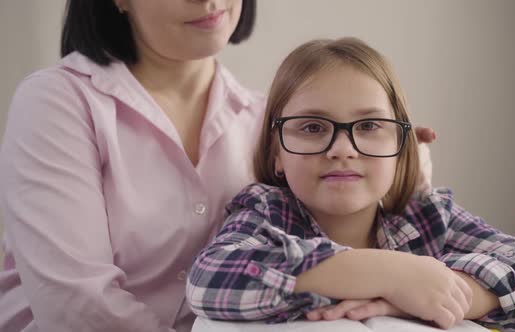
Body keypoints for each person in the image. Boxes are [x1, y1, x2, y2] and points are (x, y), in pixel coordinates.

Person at [0, 1, 435, 331]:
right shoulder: (58, 101)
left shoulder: (277, 126)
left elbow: (319, 252)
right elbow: (73, 303)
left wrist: (406, 176)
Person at [186, 37, 515, 331]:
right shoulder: (269, 211)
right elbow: (210, 279)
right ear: (276, 155)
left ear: (402, 147)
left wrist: (448, 292)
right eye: (313, 127)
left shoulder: (427, 215)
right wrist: (389, 273)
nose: (341, 149)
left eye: (369, 126)